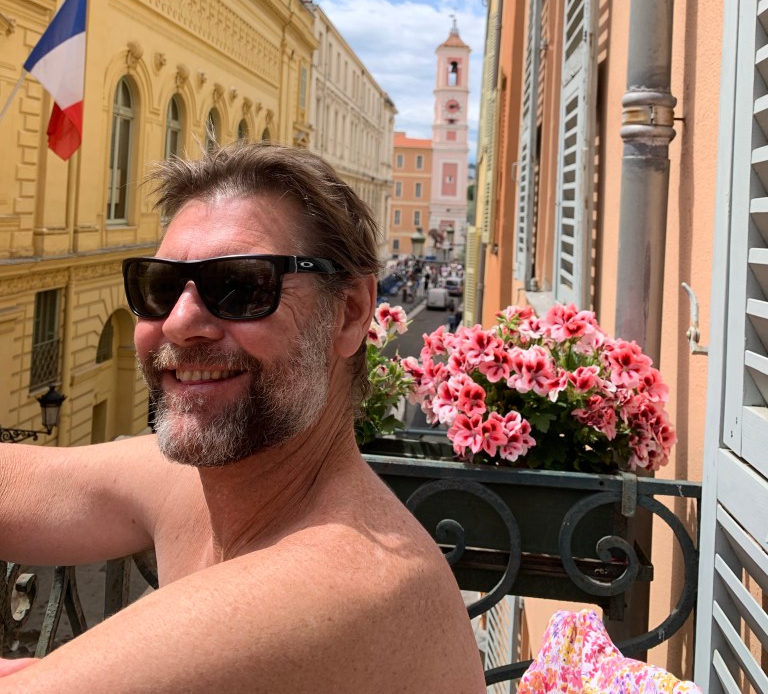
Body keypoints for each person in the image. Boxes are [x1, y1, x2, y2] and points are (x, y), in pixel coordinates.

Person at [0, 144, 486, 693]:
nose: (179, 322)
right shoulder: (210, 487)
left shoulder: (341, 584)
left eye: (242, 287)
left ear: (349, 314)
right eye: (159, 287)